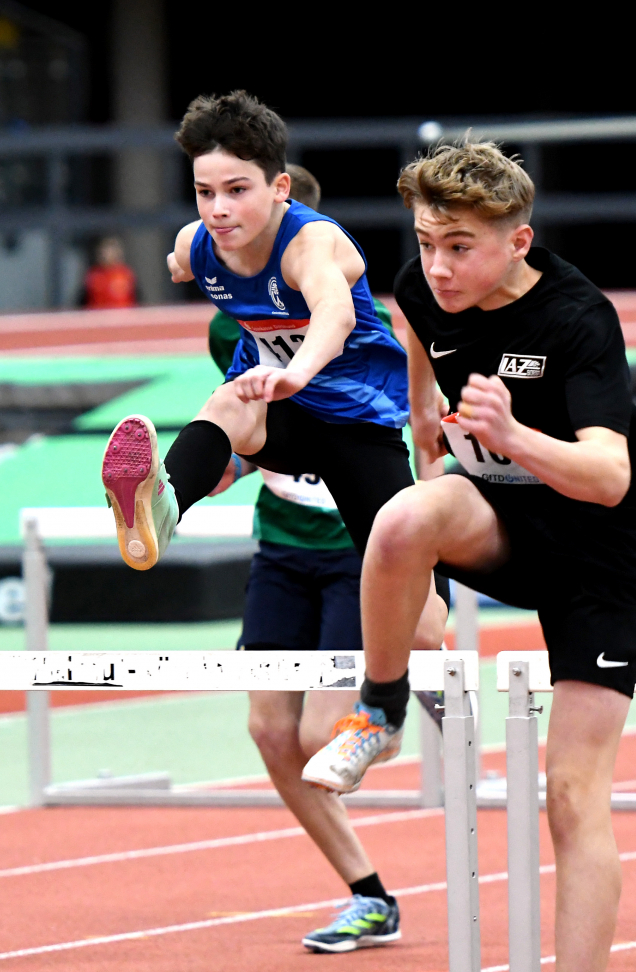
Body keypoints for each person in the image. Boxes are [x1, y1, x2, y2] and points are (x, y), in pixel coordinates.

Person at [303, 141, 636, 972]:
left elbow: (608, 476)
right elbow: (415, 332)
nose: (438, 266)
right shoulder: (419, 286)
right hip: (501, 516)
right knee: (402, 520)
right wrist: (423, 417)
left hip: (596, 544)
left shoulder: (577, 317)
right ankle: (379, 711)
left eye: (460, 247)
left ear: (517, 241)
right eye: (426, 241)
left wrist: (511, 436)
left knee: (572, 795)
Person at [100, 89, 447, 814]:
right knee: (228, 404)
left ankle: (394, 706)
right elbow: (180, 257)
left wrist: (299, 371)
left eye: (236, 190)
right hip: (278, 415)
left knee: (420, 616)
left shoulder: (311, 243)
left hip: (355, 424)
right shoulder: (200, 244)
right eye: (204, 192)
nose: (218, 209)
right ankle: (161, 506)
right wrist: (180, 264)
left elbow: (334, 312)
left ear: (279, 187)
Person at [206, 164, 406, 952]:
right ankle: (368, 893)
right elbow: (249, 423)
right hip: (283, 547)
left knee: (325, 732)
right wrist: (215, 466)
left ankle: (397, 694)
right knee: (269, 729)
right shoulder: (230, 320)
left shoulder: (350, 313)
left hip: (356, 552)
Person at [81, 236, 137, 308]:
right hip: (99, 313)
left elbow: (136, 299)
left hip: (122, 313)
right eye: (103, 251)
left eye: (110, 250)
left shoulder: (126, 274)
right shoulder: (93, 275)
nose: (106, 254)